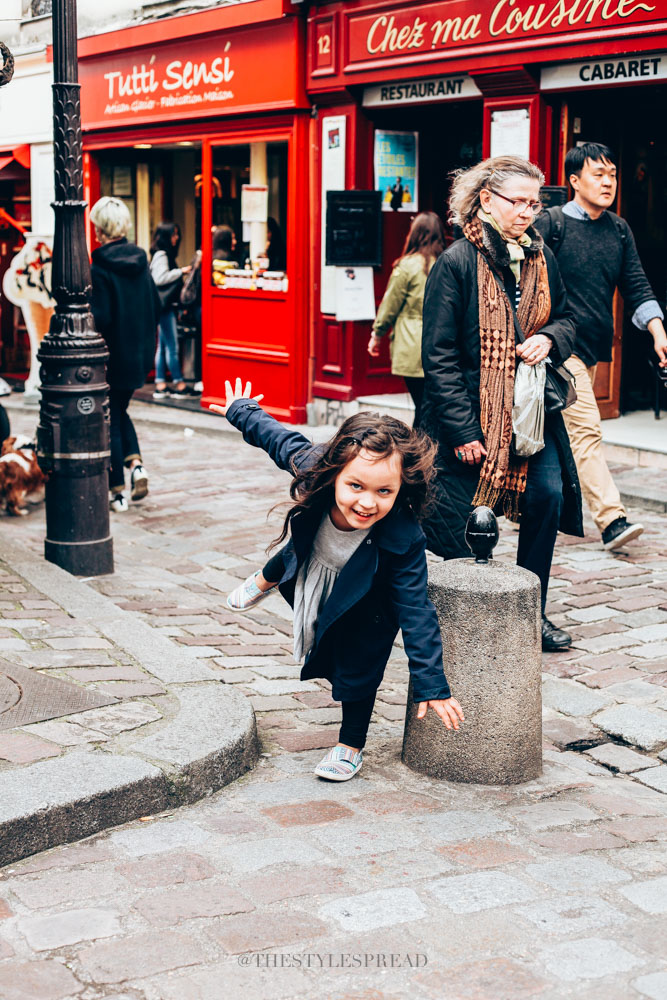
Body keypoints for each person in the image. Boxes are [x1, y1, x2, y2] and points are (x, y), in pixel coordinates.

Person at [210, 378, 464, 781]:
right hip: (315, 561)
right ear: (335, 475)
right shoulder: (316, 471)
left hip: (365, 600)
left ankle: (350, 745)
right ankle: (266, 577)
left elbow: (417, 611)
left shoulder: (404, 539)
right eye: (356, 486)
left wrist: (432, 683)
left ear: (400, 489)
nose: (367, 502)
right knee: (298, 552)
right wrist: (239, 409)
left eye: (384, 491)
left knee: (361, 668)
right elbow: (279, 439)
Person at [420, 155, 583, 653]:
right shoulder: (456, 262)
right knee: (455, 525)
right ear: (487, 200)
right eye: (519, 202)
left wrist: (551, 339)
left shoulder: (542, 257)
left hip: (531, 416)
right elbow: (439, 356)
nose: (528, 213)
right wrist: (464, 429)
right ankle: (468, 609)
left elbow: (571, 318)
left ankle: (529, 612)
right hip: (471, 415)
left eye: (536, 203)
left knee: (548, 497)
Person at [534, 142, 667, 551]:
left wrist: (659, 331)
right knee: (586, 431)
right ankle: (612, 519)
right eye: (598, 174)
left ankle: (533, 505)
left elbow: (636, 285)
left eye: (612, 174)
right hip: (558, 347)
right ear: (574, 181)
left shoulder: (619, 229)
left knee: (554, 432)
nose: (608, 182)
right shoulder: (550, 225)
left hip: (594, 347)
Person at [90, 196, 157, 513]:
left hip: (111, 357)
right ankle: (137, 465)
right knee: (118, 410)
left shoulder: (99, 267)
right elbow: (155, 305)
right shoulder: (141, 262)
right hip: (140, 355)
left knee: (111, 419)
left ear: (100, 229)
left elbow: (100, 316)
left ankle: (117, 490)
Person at [368, 212, 446, 427]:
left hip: (412, 342)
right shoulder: (447, 262)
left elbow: (390, 304)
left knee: (421, 405)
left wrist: (377, 334)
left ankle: (419, 453)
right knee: (430, 405)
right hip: (443, 340)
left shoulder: (407, 265)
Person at [150, 222, 192, 399]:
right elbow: (159, 278)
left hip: (162, 307)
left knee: (164, 346)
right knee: (172, 346)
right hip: (165, 307)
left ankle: (160, 383)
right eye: (173, 234)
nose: (176, 238)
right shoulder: (161, 255)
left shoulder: (160, 254)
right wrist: (181, 271)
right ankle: (179, 383)